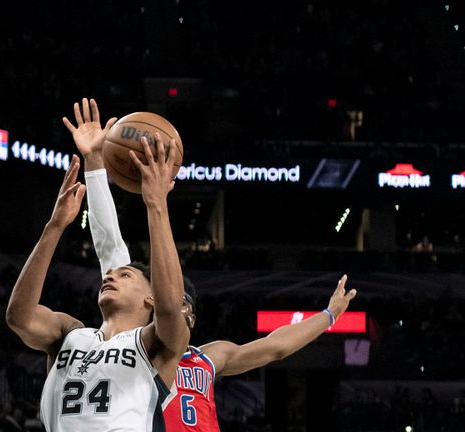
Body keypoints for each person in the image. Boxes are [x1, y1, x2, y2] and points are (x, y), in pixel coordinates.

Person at [65, 97, 359, 431]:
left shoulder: (208, 357)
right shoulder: (137, 346)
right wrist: (95, 166)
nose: (180, 310)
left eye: (184, 306)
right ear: (153, 303)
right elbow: (110, 248)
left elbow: (276, 347)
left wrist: (330, 314)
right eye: (172, 303)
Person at [6, 138, 189, 431]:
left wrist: (156, 204)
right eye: (110, 275)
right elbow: (19, 317)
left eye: (125, 275)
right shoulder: (70, 333)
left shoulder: (155, 344)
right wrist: (54, 227)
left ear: (150, 298)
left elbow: (170, 306)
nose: (110, 275)